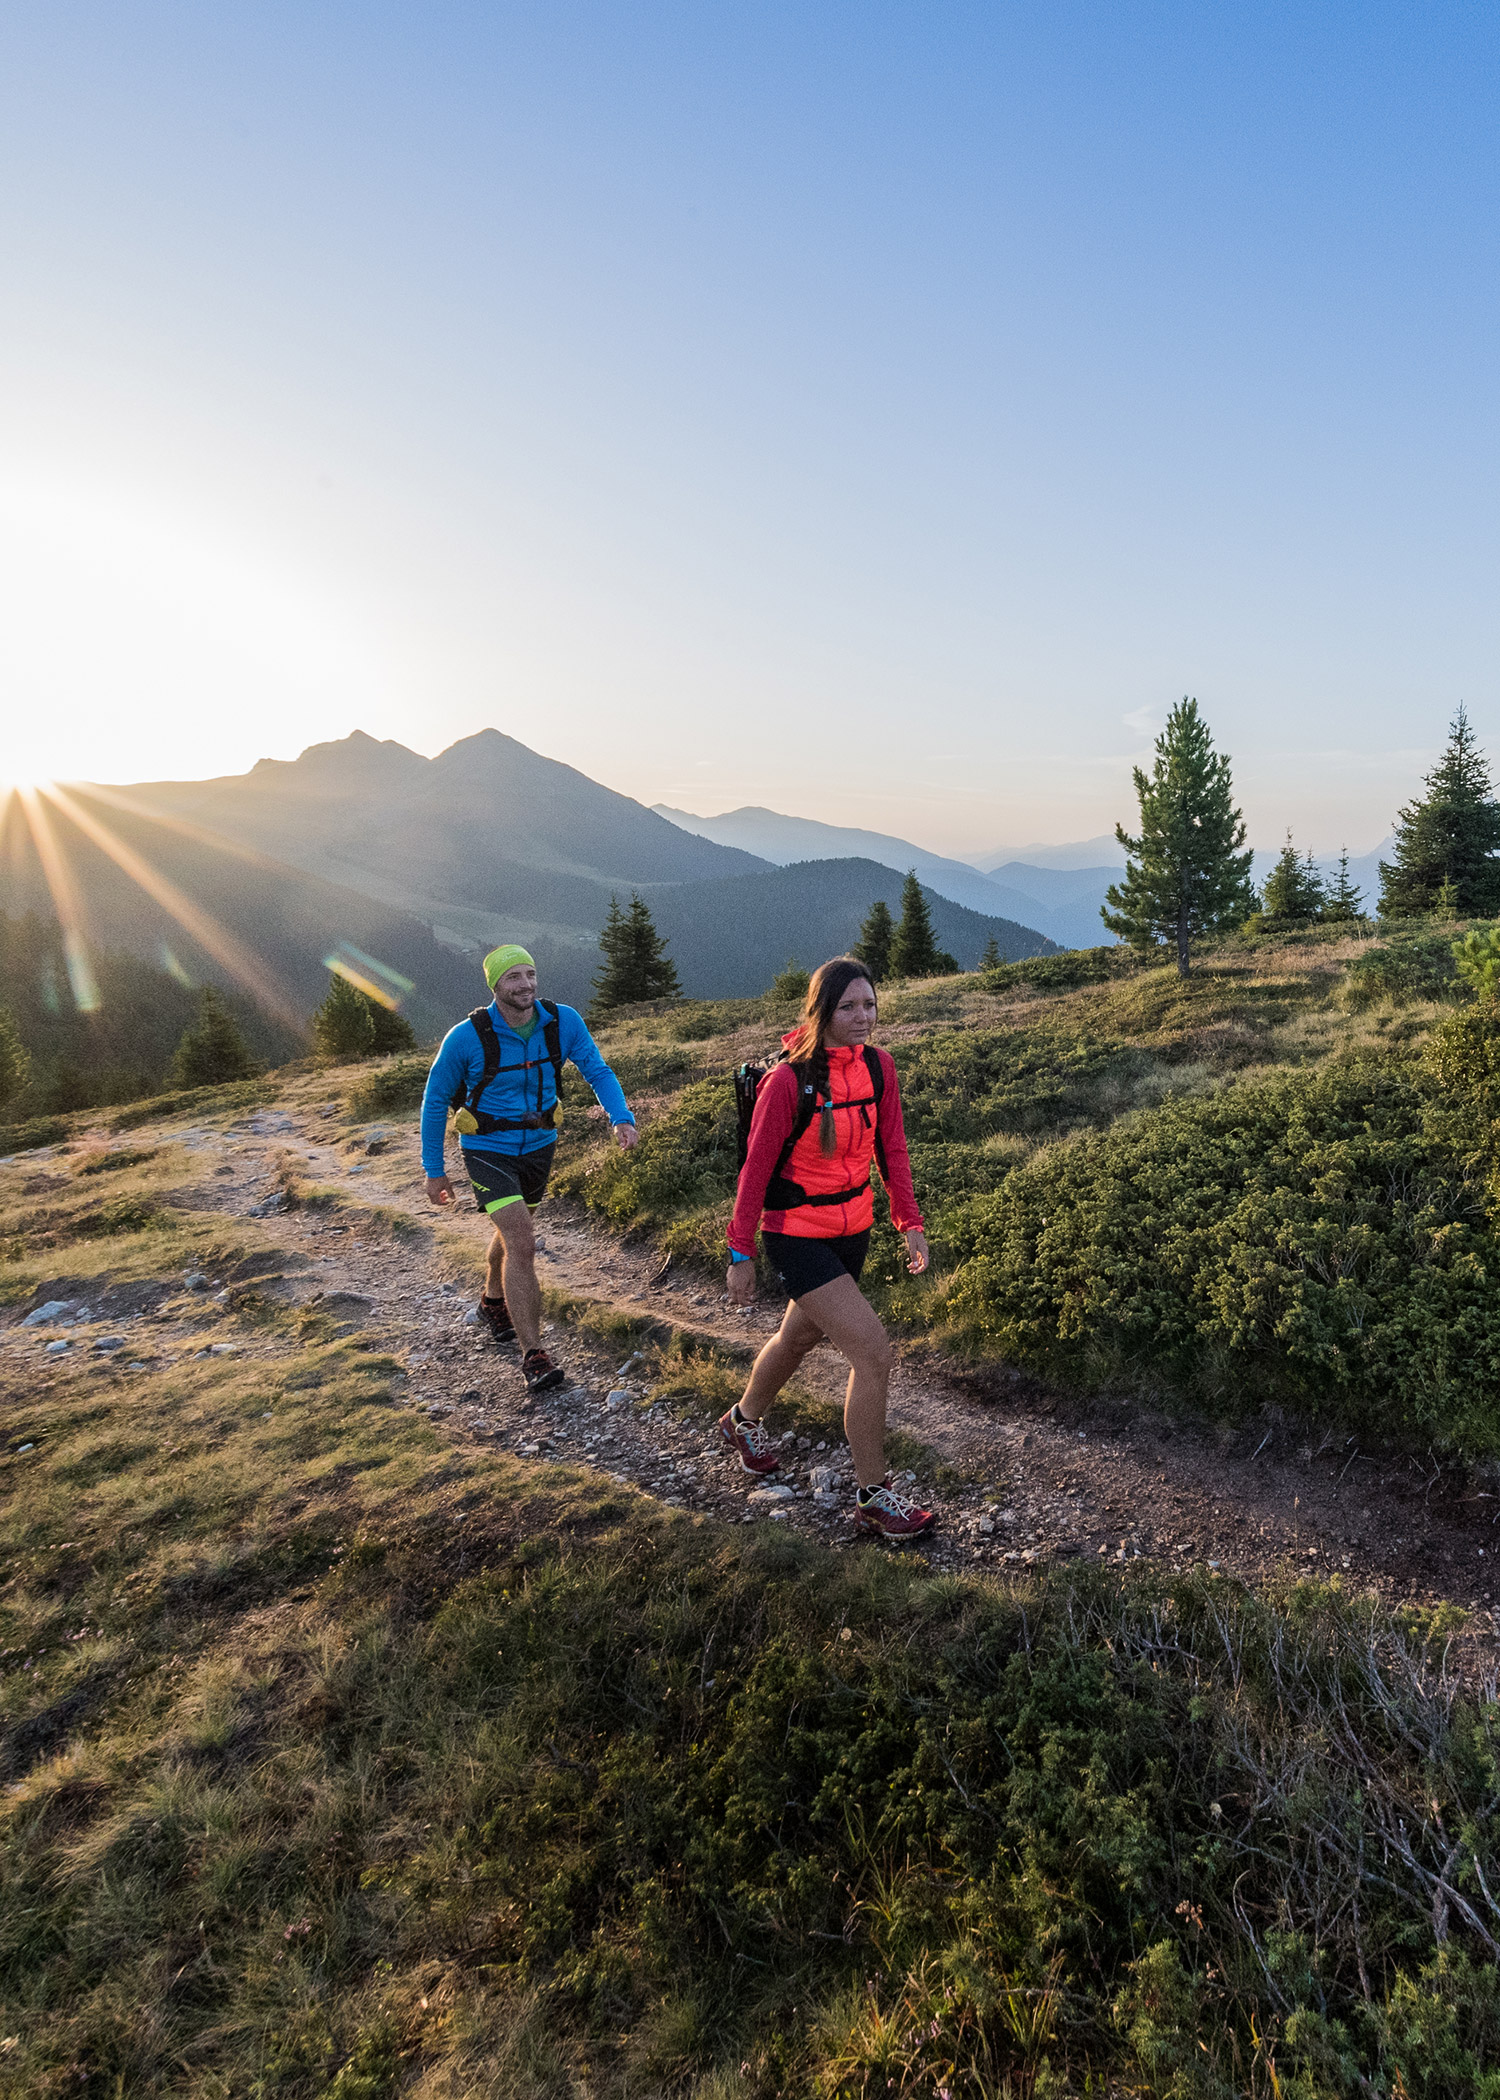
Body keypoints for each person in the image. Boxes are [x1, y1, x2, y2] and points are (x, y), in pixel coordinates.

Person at [719, 955, 936, 1539]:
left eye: (869, 1004)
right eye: (849, 1007)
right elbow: (755, 1172)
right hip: (795, 1234)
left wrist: (907, 1220)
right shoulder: (787, 1081)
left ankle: (743, 1421)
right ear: (822, 1010)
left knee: (797, 1338)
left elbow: (892, 1150)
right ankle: (872, 1495)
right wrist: (741, 1254)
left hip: (853, 1229)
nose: (863, 1017)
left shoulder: (881, 1069)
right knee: (873, 1353)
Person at [421, 944, 637, 1393]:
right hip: (487, 1148)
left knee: (512, 1235)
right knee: (523, 1241)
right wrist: (434, 1169)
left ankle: (492, 1301)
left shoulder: (563, 1022)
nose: (525, 984)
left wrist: (621, 1117)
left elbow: (597, 1069)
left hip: (540, 1145)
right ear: (495, 986)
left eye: (530, 974)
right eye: (513, 977)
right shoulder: (465, 1037)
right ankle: (534, 1354)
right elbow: (435, 1100)